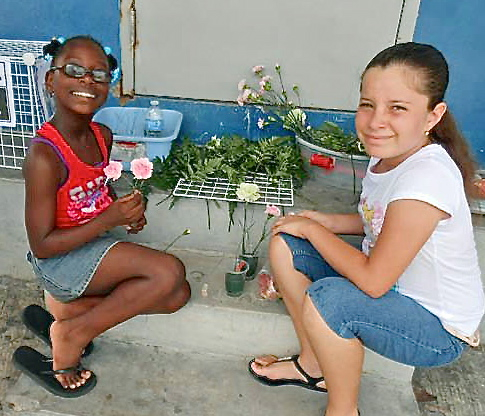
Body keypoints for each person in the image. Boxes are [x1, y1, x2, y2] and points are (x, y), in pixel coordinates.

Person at [248, 42, 485, 416]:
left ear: (432, 116)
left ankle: (343, 410)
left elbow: (373, 282)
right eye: (367, 104)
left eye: (398, 108)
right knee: (286, 241)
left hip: (436, 328)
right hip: (395, 286)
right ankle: (313, 367)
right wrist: (326, 223)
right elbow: (381, 220)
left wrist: (318, 233)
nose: (376, 121)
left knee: (329, 300)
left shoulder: (427, 179)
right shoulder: (391, 152)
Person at [16, 35, 191, 397]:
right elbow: (43, 246)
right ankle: (71, 334)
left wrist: (124, 213)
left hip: (93, 246)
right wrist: (106, 221)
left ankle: (71, 313)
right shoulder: (44, 156)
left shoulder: (101, 135)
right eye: (75, 70)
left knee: (177, 295)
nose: (87, 81)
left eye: (99, 74)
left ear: (108, 88)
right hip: (60, 262)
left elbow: (99, 186)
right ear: (51, 80)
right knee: (168, 272)